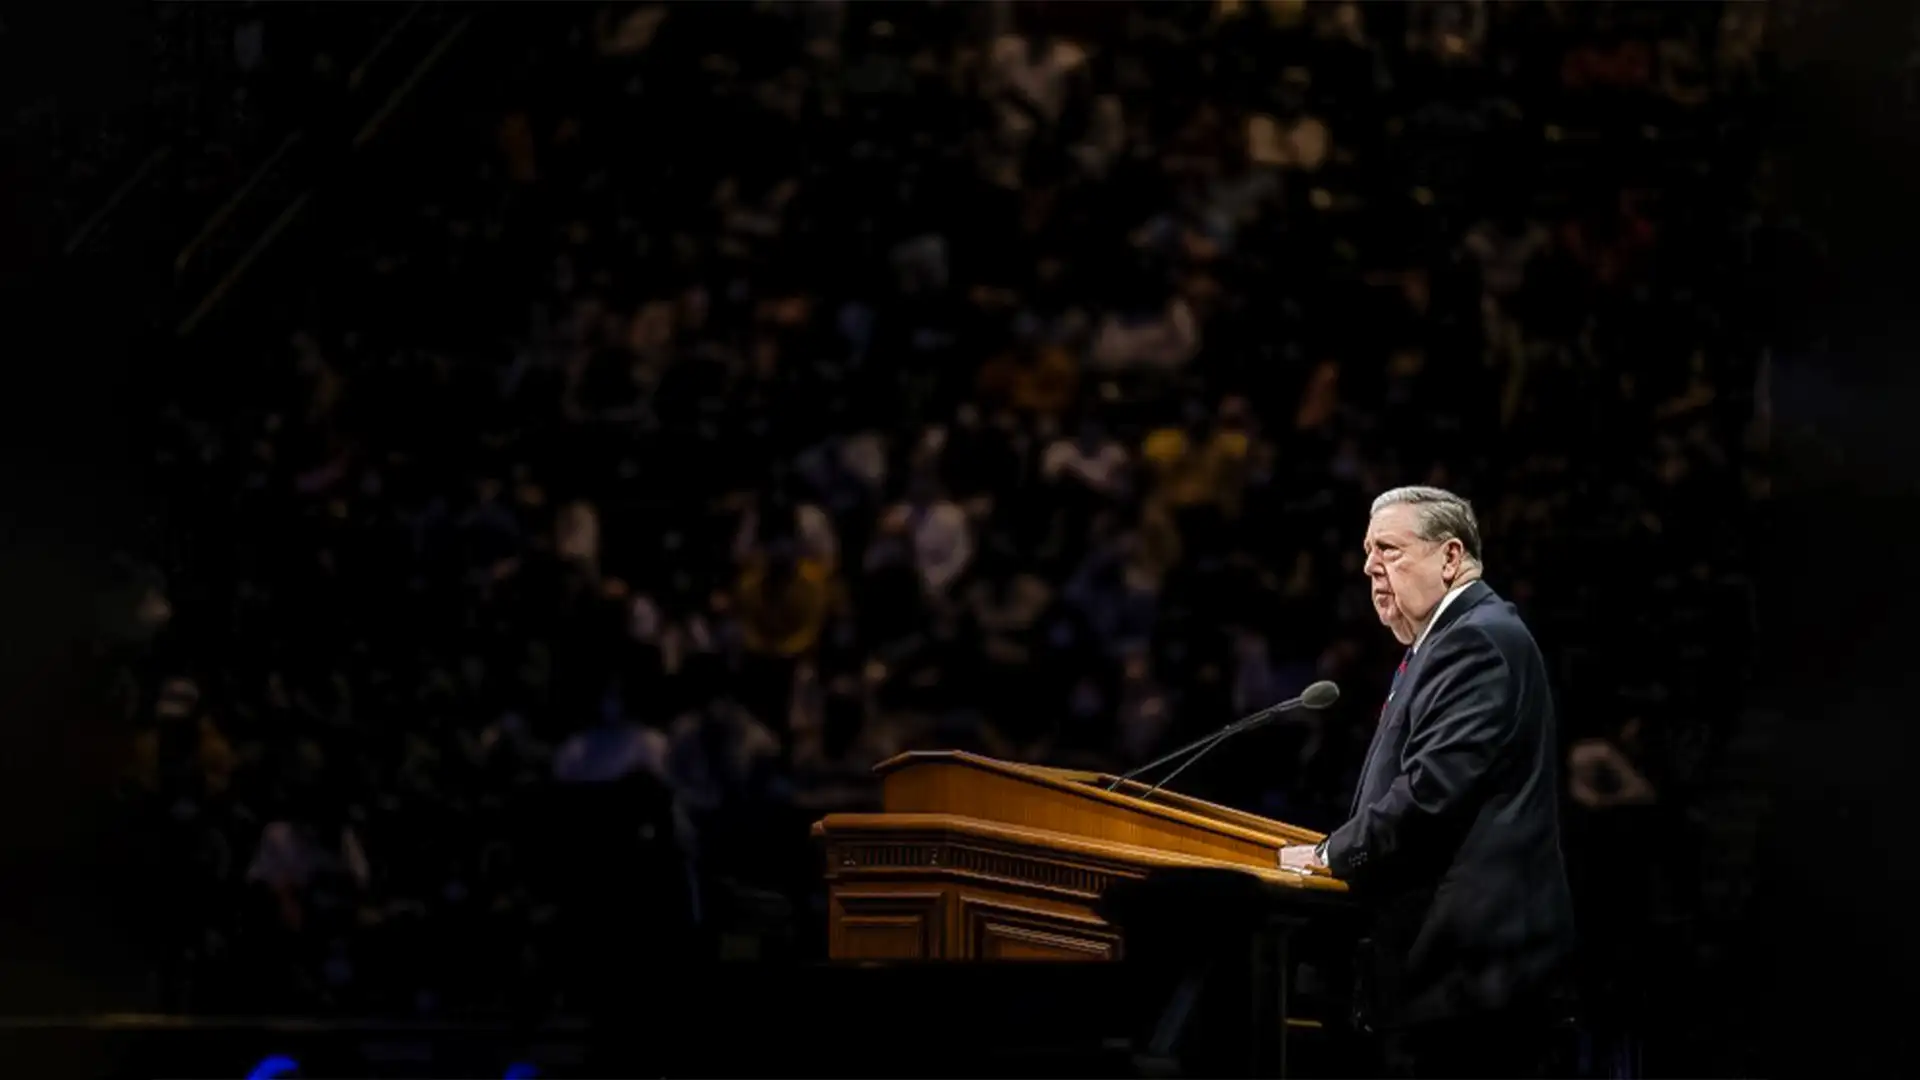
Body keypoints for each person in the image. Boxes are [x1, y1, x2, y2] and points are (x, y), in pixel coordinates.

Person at [1279, 485, 1576, 1078]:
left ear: (1450, 556)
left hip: (1472, 979)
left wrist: (1331, 853)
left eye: (1389, 549)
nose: (1370, 567)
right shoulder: (1449, 640)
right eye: (1367, 551)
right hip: (1452, 975)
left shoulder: (1477, 640)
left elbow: (1431, 790)